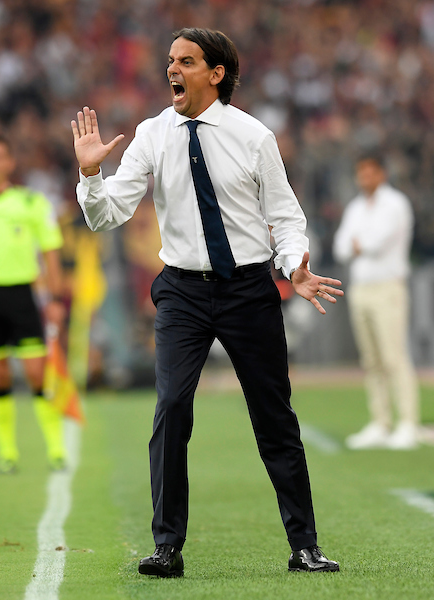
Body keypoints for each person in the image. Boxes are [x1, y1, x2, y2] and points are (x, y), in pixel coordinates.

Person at [72, 28, 343, 577]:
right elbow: (105, 216)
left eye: (186, 61)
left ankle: (305, 546)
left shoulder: (254, 136)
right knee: (172, 408)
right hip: (182, 291)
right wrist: (90, 173)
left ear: (216, 74)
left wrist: (294, 265)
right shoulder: (152, 134)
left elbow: (285, 216)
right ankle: (166, 547)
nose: (172, 69)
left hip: (248, 291)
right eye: (170, 60)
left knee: (274, 416)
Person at [0, 133, 67, 473]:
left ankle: (56, 449)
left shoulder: (31, 203)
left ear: (9, 162)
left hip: (22, 296)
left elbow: (51, 252)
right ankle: (7, 453)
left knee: (37, 374)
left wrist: (55, 299)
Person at [333, 154, 420, 450]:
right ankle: (381, 422)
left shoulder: (395, 203)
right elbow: (341, 247)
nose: (365, 178)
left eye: (370, 172)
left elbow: (377, 242)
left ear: (382, 174)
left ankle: (407, 423)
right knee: (371, 360)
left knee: (394, 356)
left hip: (388, 287)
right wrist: (359, 244)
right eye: (361, 173)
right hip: (361, 289)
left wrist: (359, 243)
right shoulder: (356, 207)